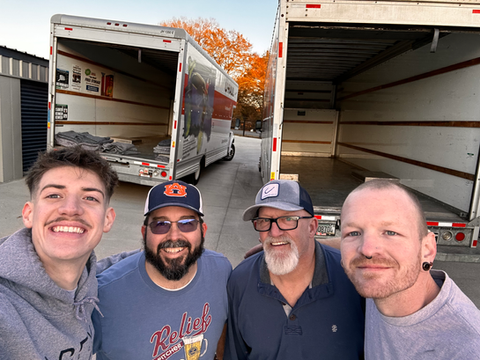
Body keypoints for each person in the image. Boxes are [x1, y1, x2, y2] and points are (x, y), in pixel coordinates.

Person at [225, 179, 365, 359]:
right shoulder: (240, 281)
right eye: (264, 221)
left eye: (288, 219)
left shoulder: (353, 276)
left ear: (312, 227)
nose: (274, 232)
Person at [340, 179, 480, 359]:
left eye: (390, 232)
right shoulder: (380, 277)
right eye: (353, 233)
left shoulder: (467, 348)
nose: (367, 249)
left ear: (427, 249)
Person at [93, 179, 232, 360]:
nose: (174, 236)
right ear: (144, 233)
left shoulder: (221, 271)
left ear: (203, 231)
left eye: (187, 223)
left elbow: (222, 324)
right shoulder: (103, 295)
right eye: (161, 225)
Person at [0, 146, 118, 359]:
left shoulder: (86, 280)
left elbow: (112, 266)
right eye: (54, 195)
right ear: (29, 214)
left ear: (107, 219)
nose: (70, 208)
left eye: (90, 198)